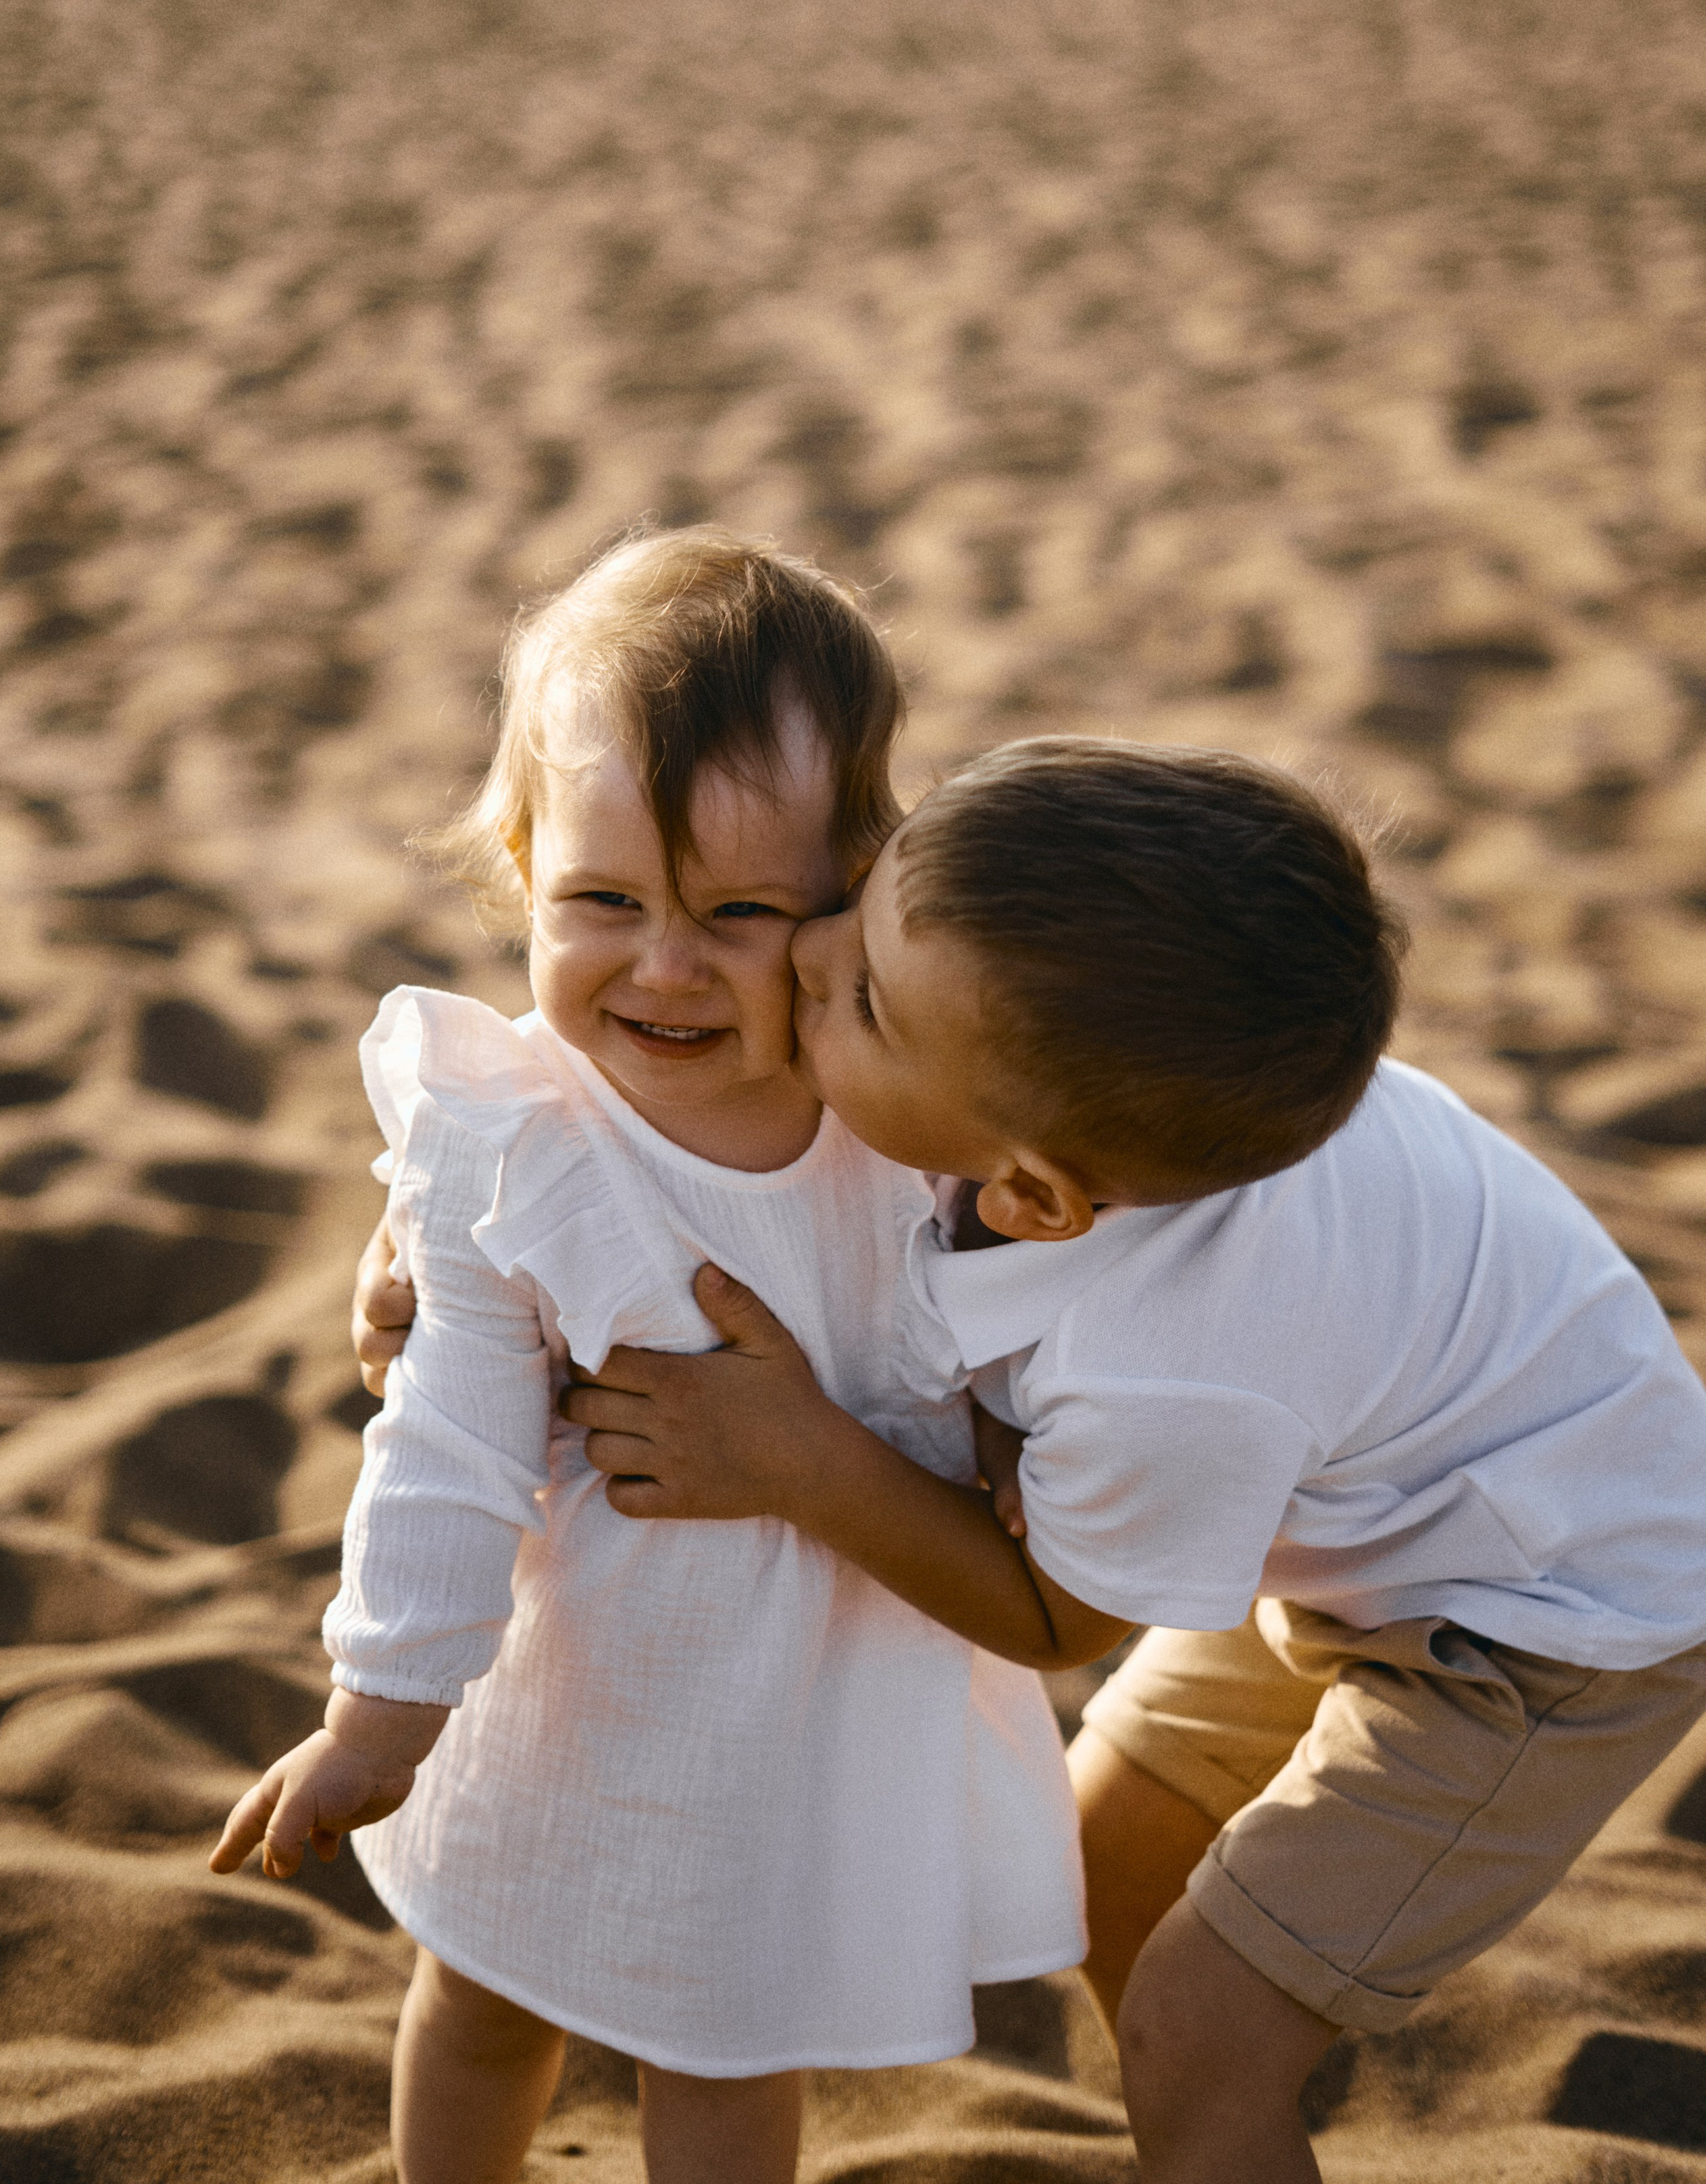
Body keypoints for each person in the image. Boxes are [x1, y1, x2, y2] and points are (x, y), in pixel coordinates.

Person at [358, 735, 1706, 2184]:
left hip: (1543, 1627)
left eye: (859, 995)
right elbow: (630, 1093)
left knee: (1203, 2022)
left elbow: (1057, 1618)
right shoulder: (1043, 1030)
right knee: (1111, 1868)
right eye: (859, 908)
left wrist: (803, 1458)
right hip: (1384, 1515)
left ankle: (1216, 2108)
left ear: (1031, 1196)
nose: (804, 954)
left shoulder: (1168, 1362)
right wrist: (428, 1236)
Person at [212, 531, 1088, 2184]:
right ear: (523, 866)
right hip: (568, 1666)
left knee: (724, 2057)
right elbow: (449, 1441)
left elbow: (1007, 1335)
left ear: (850, 896)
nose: (665, 966)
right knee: (481, 1994)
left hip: (804, 1699)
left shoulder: (899, 1119)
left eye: (738, 913)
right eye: (601, 902)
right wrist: (378, 1715)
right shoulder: (515, 1136)